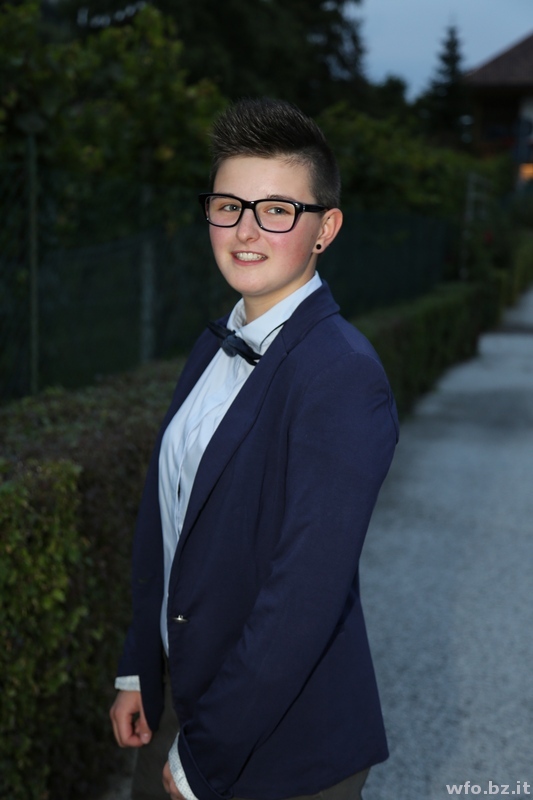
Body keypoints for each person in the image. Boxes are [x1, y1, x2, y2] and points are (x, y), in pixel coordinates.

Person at [110, 97, 399, 800]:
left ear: (325, 228)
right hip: (183, 697)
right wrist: (139, 667)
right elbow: (168, 521)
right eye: (228, 206)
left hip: (277, 742)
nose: (245, 231)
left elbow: (302, 596)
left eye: (276, 210)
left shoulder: (342, 374)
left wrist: (204, 755)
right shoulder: (214, 341)